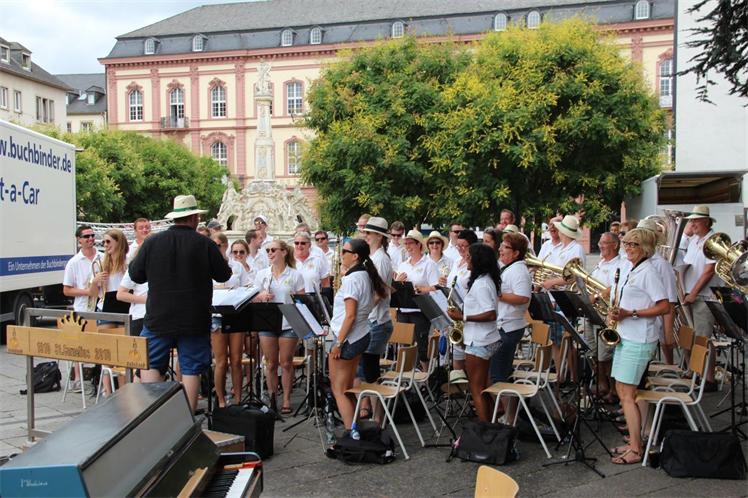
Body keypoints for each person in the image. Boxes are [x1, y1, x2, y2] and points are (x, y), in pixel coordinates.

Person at [129, 195, 232, 413]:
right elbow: (224, 275)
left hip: (159, 316)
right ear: (194, 218)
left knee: (151, 363)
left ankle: (153, 416)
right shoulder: (205, 244)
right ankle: (187, 420)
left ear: (175, 217)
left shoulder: (152, 242)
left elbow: (136, 275)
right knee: (191, 369)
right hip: (194, 318)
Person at [608, 228, 670, 465]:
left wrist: (631, 313)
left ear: (645, 248)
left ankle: (635, 448)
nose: (628, 248)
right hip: (627, 335)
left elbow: (664, 306)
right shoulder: (632, 268)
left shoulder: (649, 272)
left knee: (627, 393)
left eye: (633, 244)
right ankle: (634, 442)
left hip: (639, 338)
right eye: (626, 243)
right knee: (622, 390)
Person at [329, 238, 387, 431]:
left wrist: (338, 343)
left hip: (349, 338)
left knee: (339, 390)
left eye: (344, 252)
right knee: (347, 388)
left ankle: (351, 433)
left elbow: (350, 315)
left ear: (355, 256)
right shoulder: (364, 275)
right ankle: (355, 427)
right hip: (360, 334)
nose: (341, 255)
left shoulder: (353, 279)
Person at [447, 243, 501, 422]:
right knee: (483, 386)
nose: (466, 259)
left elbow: (491, 314)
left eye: (469, 257)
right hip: (483, 339)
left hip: (479, 341)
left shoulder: (482, 284)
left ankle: (484, 428)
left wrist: (462, 317)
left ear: (478, 260)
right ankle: (491, 422)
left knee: (476, 389)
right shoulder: (484, 280)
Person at [252, 240, 305, 413]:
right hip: (267, 321)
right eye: (267, 250)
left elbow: (302, 301)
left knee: (286, 363)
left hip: (288, 322)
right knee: (271, 363)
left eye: (273, 250)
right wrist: (261, 296)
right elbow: (252, 297)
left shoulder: (295, 275)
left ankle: (287, 399)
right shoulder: (263, 274)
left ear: (283, 252)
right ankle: (273, 397)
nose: (270, 253)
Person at [491, 232, 532, 422]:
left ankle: (510, 419)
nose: (500, 250)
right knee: (500, 373)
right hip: (504, 325)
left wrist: (497, 294)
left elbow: (523, 297)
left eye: (505, 247)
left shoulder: (518, 271)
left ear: (516, 253)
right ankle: (509, 416)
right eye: (501, 246)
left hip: (508, 327)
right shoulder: (509, 268)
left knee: (499, 375)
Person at [357, 217, 394, 422]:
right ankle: (372, 413)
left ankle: (378, 419)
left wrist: (362, 311)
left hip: (376, 320)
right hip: (372, 319)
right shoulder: (373, 257)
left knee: (370, 371)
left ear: (379, 236)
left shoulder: (380, 259)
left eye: (369, 233)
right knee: (366, 370)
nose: (366, 236)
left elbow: (380, 292)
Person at [542, 215, 586, 380]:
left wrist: (552, 281)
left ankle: (573, 377)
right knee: (555, 340)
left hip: (566, 298)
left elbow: (575, 275)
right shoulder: (561, 248)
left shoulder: (576, 249)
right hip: (554, 297)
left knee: (567, 341)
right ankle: (560, 375)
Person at [682, 205, 721, 388]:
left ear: (706, 221)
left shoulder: (713, 241)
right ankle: (697, 373)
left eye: (695, 220)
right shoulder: (694, 240)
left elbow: (708, 271)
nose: (692, 223)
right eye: (691, 220)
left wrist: (693, 292)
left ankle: (707, 378)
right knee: (694, 337)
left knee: (702, 338)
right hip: (692, 295)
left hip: (704, 296)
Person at [62, 225, 102, 392]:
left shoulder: (102, 257)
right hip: (83, 306)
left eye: (92, 235)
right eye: (86, 236)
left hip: (101, 305)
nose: (90, 239)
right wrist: (88, 291)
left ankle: (99, 376)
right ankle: (78, 378)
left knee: (101, 342)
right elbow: (67, 290)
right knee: (79, 343)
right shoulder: (74, 262)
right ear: (79, 239)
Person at [585, 232, 623, 400]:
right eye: (600, 242)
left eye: (604, 243)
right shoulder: (600, 263)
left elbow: (615, 287)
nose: (600, 245)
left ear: (615, 245)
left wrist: (597, 295)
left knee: (606, 354)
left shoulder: (620, 264)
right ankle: (602, 384)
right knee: (593, 351)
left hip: (606, 314)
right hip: (594, 312)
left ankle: (612, 390)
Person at [395, 229, 439, 367]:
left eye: (410, 243)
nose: (407, 246)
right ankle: (406, 374)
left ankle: (424, 375)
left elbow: (436, 287)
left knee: (421, 347)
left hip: (420, 310)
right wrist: (397, 281)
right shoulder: (403, 264)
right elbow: (396, 288)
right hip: (403, 309)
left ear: (419, 244)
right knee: (404, 346)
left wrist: (421, 289)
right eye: (406, 244)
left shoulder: (429, 264)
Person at [211, 233, 245, 407]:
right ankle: (221, 399)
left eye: (219, 245)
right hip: (216, 316)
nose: (216, 248)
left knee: (236, 360)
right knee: (221, 361)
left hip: (235, 314)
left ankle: (238, 398)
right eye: (213, 245)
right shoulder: (207, 265)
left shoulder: (236, 266)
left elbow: (246, 287)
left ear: (225, 246)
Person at [637, 219, 678, 365]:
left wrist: (667, 334)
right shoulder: (632, 261)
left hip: (651, 326)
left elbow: (670, 301)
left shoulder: (661, 265)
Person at [447, 229, 479, 370]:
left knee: (469, 356)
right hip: (455, 312)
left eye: (463, 246)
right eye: (458, 245)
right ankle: (458, 382)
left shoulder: (474, 265)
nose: (460, 249)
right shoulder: (457, 261)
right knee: (457, 355)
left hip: (467, 312)